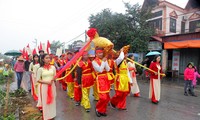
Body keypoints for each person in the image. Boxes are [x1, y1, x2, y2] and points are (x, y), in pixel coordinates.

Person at [36, 54, 57, 120]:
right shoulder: (40, 69)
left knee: (53, 100)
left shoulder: (53, 67)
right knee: (45, 101)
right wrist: (47, 82)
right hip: (44, 87)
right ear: (43, 59)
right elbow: (38, 79)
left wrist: (54, 79)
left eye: (49, 58)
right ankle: (47, 116)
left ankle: (52, 114)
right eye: (46, 58)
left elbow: (55, 76)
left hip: (52, 86)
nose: (48, 59)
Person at [92, 47, 110, 117]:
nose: (101, 54)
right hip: (100, 79)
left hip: (106, 78)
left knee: (107, 97)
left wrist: (105, 62)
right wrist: (103, 62)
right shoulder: (94, 62)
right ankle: (98, 108)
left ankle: (103, 110)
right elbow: (100, 70)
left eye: (101, 53)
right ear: (96, 54)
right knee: (103, 97)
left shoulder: (104, 60)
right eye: (99, 53)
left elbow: (108, 69)